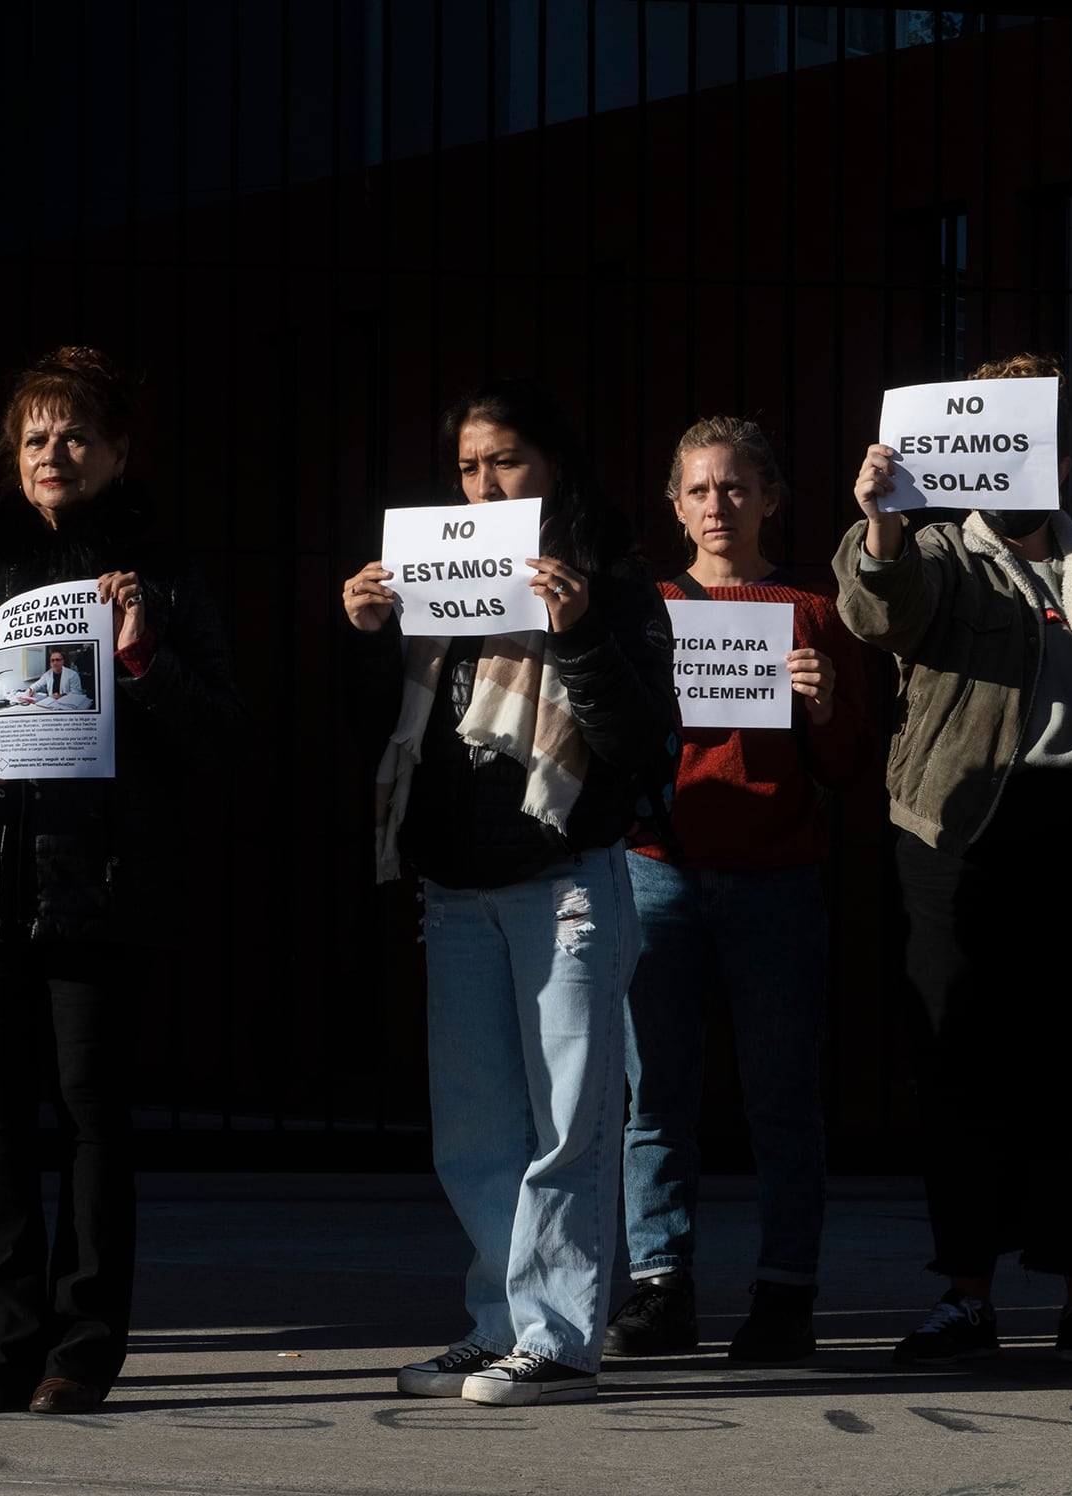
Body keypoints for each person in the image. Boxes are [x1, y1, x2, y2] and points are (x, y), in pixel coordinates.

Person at [0, 348, 245, 1416]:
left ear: (117, 453)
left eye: (75, 436)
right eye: (35, 438)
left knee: (90, 1118)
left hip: (101, 881)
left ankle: (82, 1348)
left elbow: (221, 732)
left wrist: (142, 654)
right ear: (11, 458)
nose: (53, 453)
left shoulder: (159, 573)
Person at [833, 353, 1072, 1371]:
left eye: (1041, 435)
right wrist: (884, 518)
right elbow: (878, 610)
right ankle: (966, 1294)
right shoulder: (937, 550)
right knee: (960, 1062)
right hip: (957, 832)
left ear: (1060, 452)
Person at [344, 378, 676, 1406]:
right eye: (468, 467)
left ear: (555, 466)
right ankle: (498, 1319)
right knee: (477, 1125)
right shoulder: (432, 588)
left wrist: (575, 633)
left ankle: (562, 1334)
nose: (484, 483)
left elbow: (645, 744)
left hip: (563, 876)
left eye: (507, 461)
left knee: (569, 1117)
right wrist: (367, 632)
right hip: (455, 882)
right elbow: (396, 739)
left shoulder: (612, 581)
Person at [602, 417, 870, 1363]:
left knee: (782, 1098)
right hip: (658, 869)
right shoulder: (645, 603)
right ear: (674, 507)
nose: (718, 505)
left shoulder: (810, 603)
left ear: (770, 498)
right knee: (655, 1098)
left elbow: (843, 765)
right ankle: (659, 1290)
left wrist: (826, 702)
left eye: (736, 486)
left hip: (777, 878)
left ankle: (785, 1294)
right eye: (699, 489)